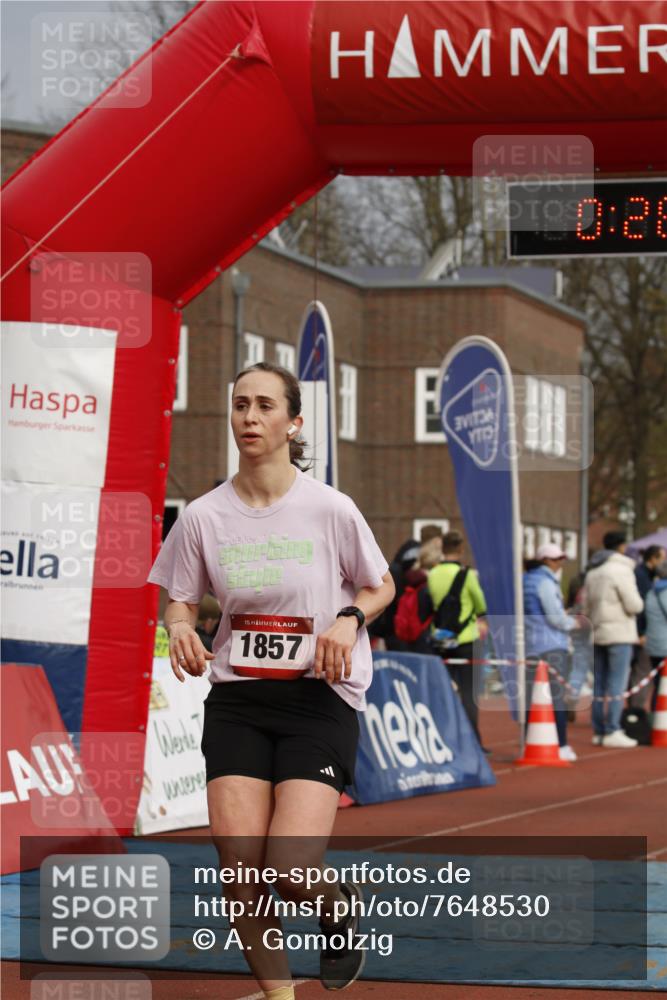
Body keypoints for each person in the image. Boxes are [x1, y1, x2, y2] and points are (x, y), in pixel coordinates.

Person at [147, 361, 395, 999]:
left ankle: (337, 904)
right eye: (239, 406)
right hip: (237, 699)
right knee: (240, 873)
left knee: (288, 866)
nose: (249, 418)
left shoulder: (329, 508)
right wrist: (179, 626)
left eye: (263, 406)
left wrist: (348, 618)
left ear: (293, 422)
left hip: (317, 699)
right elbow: (179, 598)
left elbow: (380, 584)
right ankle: (280, 996)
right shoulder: (203, 515)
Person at [425, 529, 488, 749]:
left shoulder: (432, 574)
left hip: (441, 638)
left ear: (442, 549)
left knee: (444, 692)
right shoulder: (466, 574)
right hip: (464, 639)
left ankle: (445, 742)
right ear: (461, 549)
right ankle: (473, 744)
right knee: (469, 693)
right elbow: (481, 604)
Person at [584, 530, 643, 748]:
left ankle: (599, 730)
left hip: (598, 631)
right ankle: (613, 729)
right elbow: (634, 604)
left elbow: (585, 607)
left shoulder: (593, 572)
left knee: (599, 684)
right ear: (621, 546)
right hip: (619, 633)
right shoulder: (622, 570)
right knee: (617, 683)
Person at [523, 543, 579, 762]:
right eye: (556, 559)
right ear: (546, 560)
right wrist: (573, 623)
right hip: (552, 645)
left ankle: (532, 741)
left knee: (533, 698)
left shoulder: (524, 579)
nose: (560, 563)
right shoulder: (546, 582)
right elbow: (555, 618)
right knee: (556, 698)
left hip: (530, 645)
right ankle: (561, 744)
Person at [629, 544, 666, 709]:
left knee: (647, 677)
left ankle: (638, 713)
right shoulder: (651, 586)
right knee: (659, 683)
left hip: (651, 639)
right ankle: (652, 715)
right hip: (660, 641)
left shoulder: (652, 591)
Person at [644, 559, 667, 712]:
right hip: (664, 643)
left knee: (659, 685)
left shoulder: (651, 591)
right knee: (662, 687)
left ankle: (656, 719)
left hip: (653, 643)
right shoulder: (665, 591)